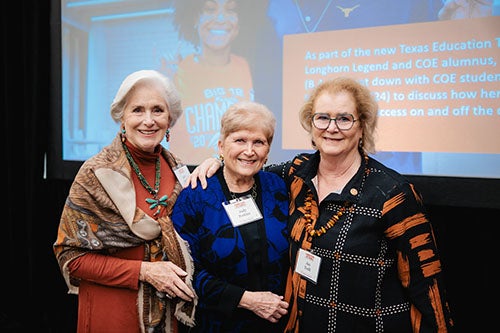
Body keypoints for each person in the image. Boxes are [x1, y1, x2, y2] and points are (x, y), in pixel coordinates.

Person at [187, 77, 455, 332]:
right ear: (312, 125)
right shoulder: (295, 174)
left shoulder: (392, 193)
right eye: (323, 117)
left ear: (362, 126)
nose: (332, 127)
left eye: (344, 119)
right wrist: (216, 161)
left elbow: (427, 285)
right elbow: (246, 164)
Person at [53, 69, 197, 333]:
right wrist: (144, 272)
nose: (148, 120)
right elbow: (71, 256)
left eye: (158, 110)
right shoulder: (95, 173)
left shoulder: (178, 169)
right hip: (112, 312)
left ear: (170, 119)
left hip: (166, 316)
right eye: (137, 110)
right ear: (122, 118)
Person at [170, 100, 290, 332]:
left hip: (277, 322)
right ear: (221, 145)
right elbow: (184, 269)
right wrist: (247, 300)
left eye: (259, 142)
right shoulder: (196, 195)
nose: (249, 150)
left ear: (268, 150)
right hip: (217, 322)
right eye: (240, 140)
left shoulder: (278, 187)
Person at [165, 0, 255, 165]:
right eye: (209, 9)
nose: (221, 18)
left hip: (243, 180)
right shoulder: (176, 74)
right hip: (193, 184)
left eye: (231, 10)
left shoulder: (252, 69)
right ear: (193, 18)